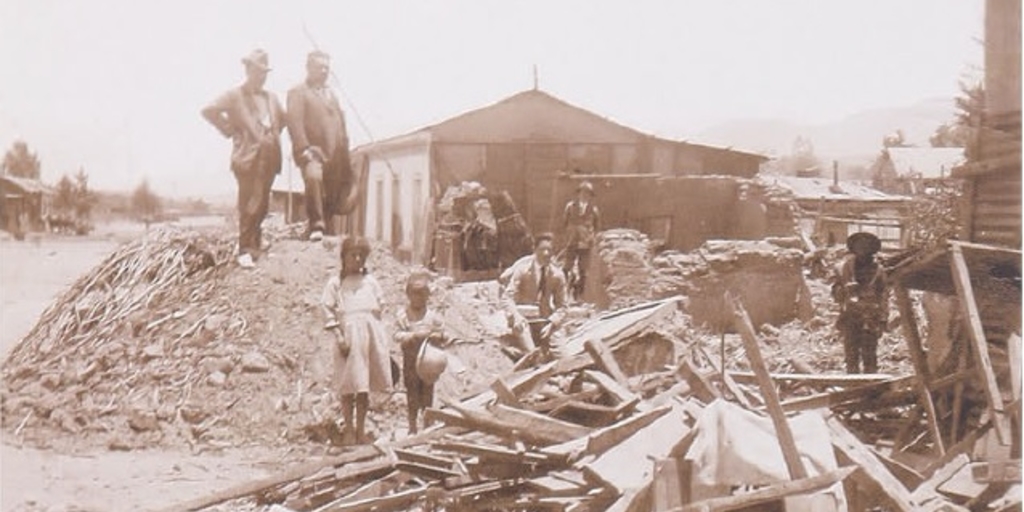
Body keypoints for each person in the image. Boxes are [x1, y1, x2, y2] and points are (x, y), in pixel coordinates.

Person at [201, 49, 285, 269]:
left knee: (263, 204)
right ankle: (244, 249)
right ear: (248, 70)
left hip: (270, 157)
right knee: (249, 203)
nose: (262, 76)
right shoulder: (234, 95)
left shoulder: (272, 98)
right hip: (248, 157)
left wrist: (271, 137)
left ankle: (255, 245)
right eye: (258, 71)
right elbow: (209, 110)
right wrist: (230, 130)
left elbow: (282, 121)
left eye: (265, 72)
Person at [321, 236, 392, 444]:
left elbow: (380, 306)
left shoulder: (370, 282)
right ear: (344, 257)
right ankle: (349, 430)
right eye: (353, 255)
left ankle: (361, 429)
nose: (358, 259)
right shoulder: (336, 283)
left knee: (363, 387)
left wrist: (373, 330)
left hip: (368, 338)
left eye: (362, 255)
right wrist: (339, 335)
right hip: (347, 339)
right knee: (348, 385)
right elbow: (326, 309)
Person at [286, 51, 355, 242]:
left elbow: (340, 122)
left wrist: (344, 150)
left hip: (336, 154)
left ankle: (328, 226)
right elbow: (294, 121)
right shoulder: (298, 92)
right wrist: (303, 148)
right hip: (313, 152)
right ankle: (316, 225)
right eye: (320, 67)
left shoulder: (331, 94)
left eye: (327, 68)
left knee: (333, 190)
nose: (324, 71)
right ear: (309, 68)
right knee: (314, 179)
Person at [394, 271, 446, 434]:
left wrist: (434, 336)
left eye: (422, 294)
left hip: (428, 362)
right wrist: (411, 336)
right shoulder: (403, 316)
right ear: (408, 295)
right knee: (412, 392)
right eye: (415, 294)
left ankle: (427, 422)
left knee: (427, 392)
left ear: (427, 295)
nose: (418, 297)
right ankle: (411, 425)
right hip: (410, 360)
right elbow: (396, 334)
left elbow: (443, 334)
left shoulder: (432, 316)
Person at [502, 232, 569, 355]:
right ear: (535, 249)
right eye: (542, 249)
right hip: (523, 320)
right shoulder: (522, 270)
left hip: (545, 320)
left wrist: (552, 323)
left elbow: (563, 307)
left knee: (563, 355)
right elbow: (507, 297)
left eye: (549, 250)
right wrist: (516, 316)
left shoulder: (557, 275)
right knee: (532, 354)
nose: (546, 254)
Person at [832, 232, 888, 374]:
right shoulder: (844, 268)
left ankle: (871, 389)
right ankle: (852, 387)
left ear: (872, 248)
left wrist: (883, 319)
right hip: (851, 315)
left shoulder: (879, 270)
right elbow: (835, 292)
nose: (862, 248)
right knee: (851, 354)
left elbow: (884, 296)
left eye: (866, 245)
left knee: (870, 354)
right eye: (859, 245)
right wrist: (844, 290)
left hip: (871, 317)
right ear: (853, 248)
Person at [562, 180, 600, 299]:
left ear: (590, 196)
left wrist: (591, 238)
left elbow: (597, 227)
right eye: (582, 193)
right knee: (567, 267)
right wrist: (568, 236)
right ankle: (563, 293)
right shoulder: (570, 207)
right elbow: (564, 223)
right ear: (578, 194)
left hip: (585, 243)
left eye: (587, 193)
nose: (584, 195)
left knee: (583, 270)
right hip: (572, 241)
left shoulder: (593, 210)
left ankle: (579, 295)